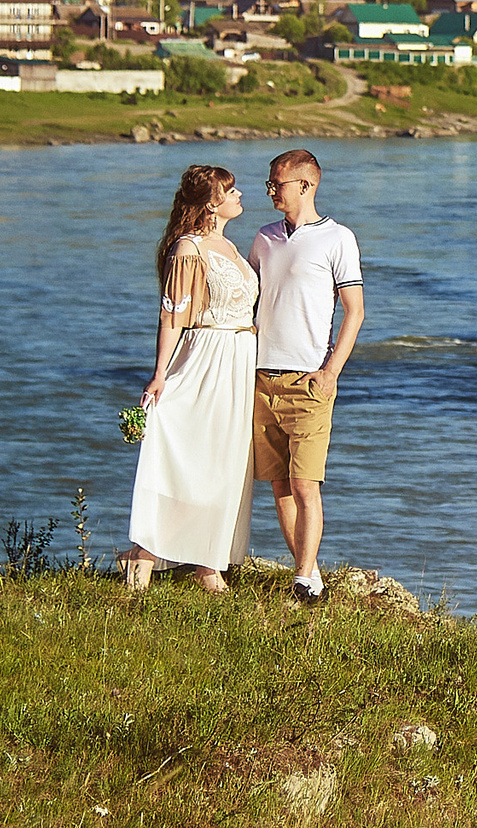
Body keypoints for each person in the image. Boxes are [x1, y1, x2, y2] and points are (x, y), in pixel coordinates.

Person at [122, 163, 259, 593]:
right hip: (208, 358)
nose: (240, 195)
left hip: (240, 358)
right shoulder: (188, 249)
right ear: (212, 201)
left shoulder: (230, 246)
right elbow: (172, 315)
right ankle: (144, 554)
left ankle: (207, 559)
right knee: (195, 457)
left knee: (226, 461)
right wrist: (160, 373)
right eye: (231, 190)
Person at [251, 147, 366, 606]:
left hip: (308, 381)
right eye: (269, 183)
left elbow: (355, 312)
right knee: (279, 485)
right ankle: (310, 574)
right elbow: (249, 302)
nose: (270, 190)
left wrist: (331, 371)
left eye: (276, 183)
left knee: (305, 484)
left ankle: (302, 578)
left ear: (305, 185)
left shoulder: (338, 238)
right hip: (261, 378)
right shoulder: (263, 238)